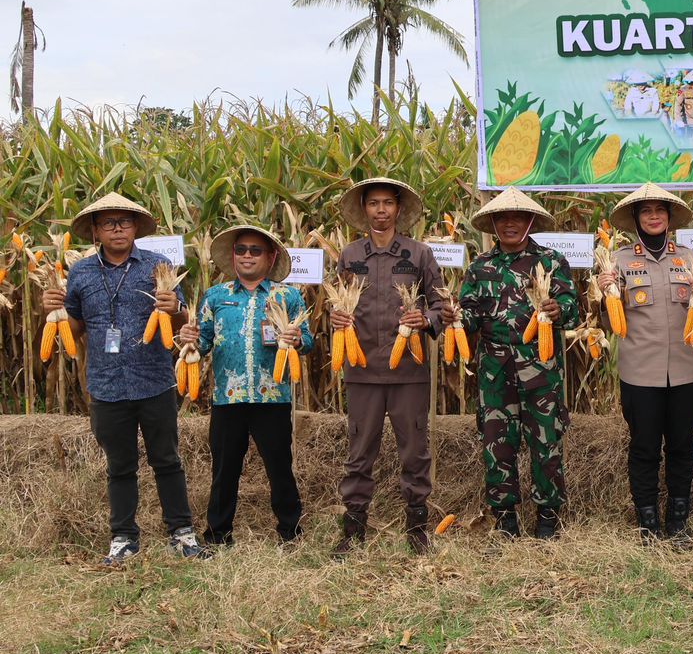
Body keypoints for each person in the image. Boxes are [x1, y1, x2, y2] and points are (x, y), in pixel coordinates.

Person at [48, 192, 207, 564]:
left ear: (136, 227)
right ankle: (123, 537)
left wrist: (176, 309)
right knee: (119, 466)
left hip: (154, 381)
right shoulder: (81, 273)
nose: (117, 229)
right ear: (95, 231)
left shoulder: (157, 266)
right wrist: (54, 313)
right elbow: (76, 328)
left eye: (125, 222)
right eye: (109, 223)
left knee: (167, 460)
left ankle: (181, 533)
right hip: (106, 384)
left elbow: (183, 324)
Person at [448, 188, 580, 539]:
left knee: (546, 443)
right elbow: (471, 317)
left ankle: (548, 517)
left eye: (518, 217)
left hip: (541, 370)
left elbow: (573, 310)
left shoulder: (551, 262)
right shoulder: (480, 267)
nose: (510, 224)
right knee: (497, 445)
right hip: (495, 371)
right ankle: (505, 519)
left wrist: (558, 309)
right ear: (492, 223)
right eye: (502, 218)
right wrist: (457, 317)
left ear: (530, 221)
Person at [330, 177, 447, 554]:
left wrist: (425, 319)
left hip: (408, 372)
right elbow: (336, 303)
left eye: (387, 203)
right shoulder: (350, 255)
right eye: (373, 203)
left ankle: (417, 528)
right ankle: (353, 530)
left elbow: (441, 305)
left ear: (398, 208)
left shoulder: (419, 254)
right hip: (362, 369)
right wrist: (335, 317)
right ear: (364, 209)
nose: (380, 210)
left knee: (414, 451)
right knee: (359, 452)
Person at [178, 224, 312, 548]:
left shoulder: (287, 296)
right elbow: (203, 343)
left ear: (271, 257)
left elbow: (307, 341)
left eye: (255, 250)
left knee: (280, 468)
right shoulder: (216, 296)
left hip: (273, 397)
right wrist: (188, 339)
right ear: (233, 255)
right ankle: (217, 535)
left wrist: (297, 338)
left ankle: (290, 532)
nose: (247, 256)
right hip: (228, 397)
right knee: (224, 470)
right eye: (241, 250)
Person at [594, 183, 693, 546]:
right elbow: (608, 322)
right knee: (644, 447)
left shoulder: (690, 259)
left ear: (670, 217)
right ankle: (647, 522)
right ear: (636, 219)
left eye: (660, 210)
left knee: (682, 445)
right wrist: (604, 294)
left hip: (687, 370)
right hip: (641, 373)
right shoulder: (618, 262)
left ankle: (678, 521)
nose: (654, 216)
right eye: (646, 211)